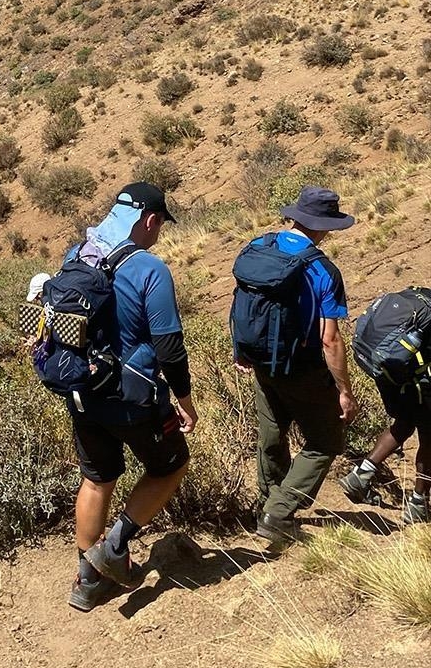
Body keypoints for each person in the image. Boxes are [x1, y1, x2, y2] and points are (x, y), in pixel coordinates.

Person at [63, 182, 198, 611]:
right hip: (133, 399)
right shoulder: (149, 269)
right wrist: (185, 401)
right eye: (160, 225)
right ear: (150, 220)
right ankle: (115, 546)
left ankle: (88, 582)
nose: (158, 233)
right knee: (170, 465)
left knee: (97, 479)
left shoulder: (77, 254)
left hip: (83, 393)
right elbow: (169, 347)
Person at [231, 186, 357, 550]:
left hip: (260, 362)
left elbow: (242, 302)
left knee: (271, 433)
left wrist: (241, 348)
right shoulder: (323, 270)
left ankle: (266, 505)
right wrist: (345, 391)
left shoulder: (259, 247)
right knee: (325, 441)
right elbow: (329, 340)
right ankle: (278, 512)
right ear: (324, 226)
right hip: (303, 369)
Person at [340, 286, 431, 525]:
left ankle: (360, 475)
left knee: (404, 422)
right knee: (429, 437)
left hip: (385, 371)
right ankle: (418, 503)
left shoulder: (416, 294)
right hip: (413, 379)